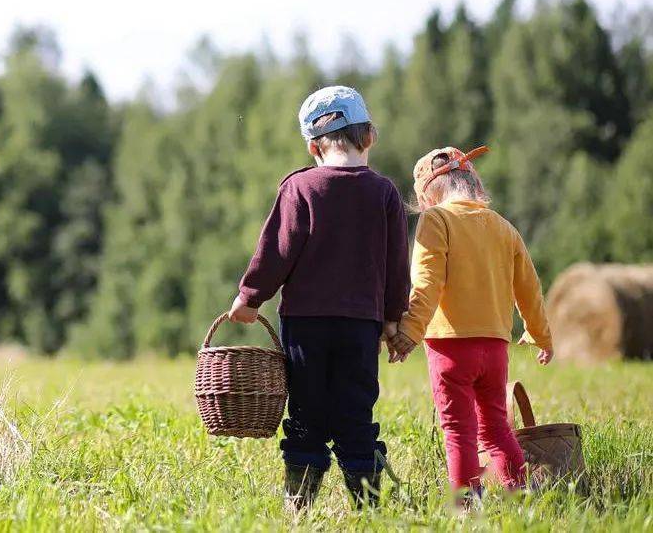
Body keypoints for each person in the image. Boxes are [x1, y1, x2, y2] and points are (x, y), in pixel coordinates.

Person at [227, 86, 410, 512]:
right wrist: (391, 317)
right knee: (355, 413)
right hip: (361, 324)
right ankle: (369, 509)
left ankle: (299, 508)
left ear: (313, 145)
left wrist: (250, 297)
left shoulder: (300, 188)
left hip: (306, 324)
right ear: (369, 137)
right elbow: (396, 263)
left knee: (306, 413)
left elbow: (277, 249)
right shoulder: (383, 192)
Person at [388, 146, 553, 506]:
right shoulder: (505, 228)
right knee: (495, 426)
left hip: (450, 348)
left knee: (459, 430)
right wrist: (540, 334)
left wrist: (409, 333)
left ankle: (467, 505)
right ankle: (521, 495)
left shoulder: (437, 221)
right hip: (495, 347)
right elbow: (530, 289)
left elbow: (426, 283)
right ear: (473, 183)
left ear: (428, 195)